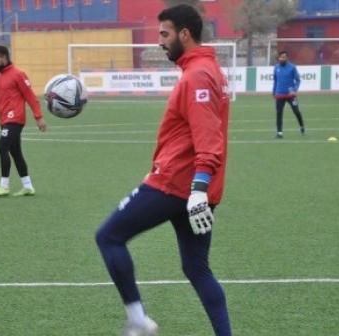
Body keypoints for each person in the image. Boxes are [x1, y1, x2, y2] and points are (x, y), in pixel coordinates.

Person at [95, 5, 232, 336]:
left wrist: (198, 188)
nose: (160, 41)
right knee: (197, 268)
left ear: (184, 34)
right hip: (193, 187)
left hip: (178, 186)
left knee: (109, 236)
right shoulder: (204, 68)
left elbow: (208, 139)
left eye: (164, 34)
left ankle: (138, 320)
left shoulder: (198, 74)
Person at [0, 45, 47, 197]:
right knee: (16, 153)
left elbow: (30, 97)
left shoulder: (18, 74)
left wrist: (38, 117)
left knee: (2, 147)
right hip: (4, 119)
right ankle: (28, 186)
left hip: (15, 118)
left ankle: (4, 186)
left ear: (4, 58)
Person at [272, 51, 305, 138]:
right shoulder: (276, 67)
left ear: (287, 58)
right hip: (279, 94)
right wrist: (274, 91)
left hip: (291, 95)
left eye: (284, 57)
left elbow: (298, 80)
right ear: (278, 58)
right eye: (281, 57)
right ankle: (279, 132)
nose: (283, 59)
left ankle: (302, 126)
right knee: (279, 113)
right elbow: (275, 80)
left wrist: (295, 90)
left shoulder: (292, 67)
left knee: (296, 111)